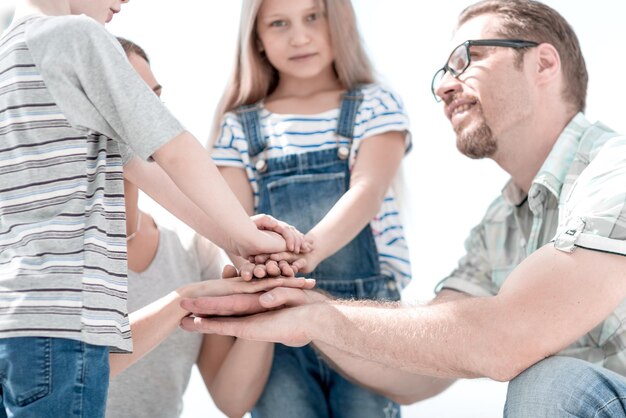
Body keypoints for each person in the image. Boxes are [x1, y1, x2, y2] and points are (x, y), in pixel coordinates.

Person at [182, 0, 626, 416]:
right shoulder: (499, 227)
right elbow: (417, 368)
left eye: (467, 60)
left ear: (544, 63)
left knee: (552, 384)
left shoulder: (615, 170)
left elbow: (504, 338)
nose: (445, 85)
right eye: (443, 72)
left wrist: (318, 309)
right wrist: (308, 309)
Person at [0, 1, 309, 417]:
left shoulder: (10, 58)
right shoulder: (77, 37)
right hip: (65, 331)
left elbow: (145, 169)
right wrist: (253, 238)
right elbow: (172, 150)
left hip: (14, 327)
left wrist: (235, 238)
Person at [209, 0, 412, 416]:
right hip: (275, 315)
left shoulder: (374, 104)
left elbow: (367, 191)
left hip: (366, 316)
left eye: (313, 17)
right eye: (279, 23)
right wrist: (263, 269)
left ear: (339, 22)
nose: (299, 36)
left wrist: (307, 251)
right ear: (258, 40)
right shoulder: (239, 126)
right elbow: (234, 224)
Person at [105, 37, 284, 418]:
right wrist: (183, 300)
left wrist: (268, 299)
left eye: (155, 98)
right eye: (131, 97)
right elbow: (68, 374)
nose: (147, 114)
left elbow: (232, 400)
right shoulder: (47, 248)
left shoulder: (192, 250)